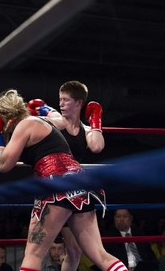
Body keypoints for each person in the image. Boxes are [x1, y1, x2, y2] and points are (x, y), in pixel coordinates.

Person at [0, 89, 129, 271]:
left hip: (56, 185)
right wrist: (44, 108)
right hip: (81, 183)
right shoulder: (45, 121)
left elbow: (4, 164)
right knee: (100, 255)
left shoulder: (24, 125)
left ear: (6, 116)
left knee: (33, 256)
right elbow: (63, 120)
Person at [27, 80, 105, 271]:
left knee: (74, 250)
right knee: (40, 250)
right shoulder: (56, 122)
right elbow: (35, 127)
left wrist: (95, 119)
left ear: (79, 103)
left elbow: (96, 146)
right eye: (59, 99)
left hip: (75, 193)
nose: (61, 103)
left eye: (66, 100)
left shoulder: (86, 129)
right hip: (54, 191)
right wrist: (45, 110)